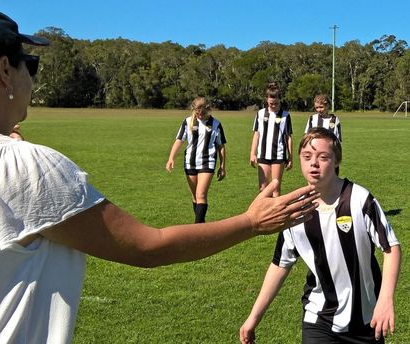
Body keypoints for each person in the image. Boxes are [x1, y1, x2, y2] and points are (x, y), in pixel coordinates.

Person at [0, 6, 320, 343]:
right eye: (27, 62)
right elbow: (147, 246)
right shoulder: (23, 167)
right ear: (3, 72)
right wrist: (251, 222)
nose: (30, 73)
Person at [240, 128, 401, 344]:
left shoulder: (360, 200)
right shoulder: (294, 211)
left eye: (323, 157)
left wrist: (385, 300)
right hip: (319, 319)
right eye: (307, 157)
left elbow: (391, 248)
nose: (314, 163)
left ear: (336, 161)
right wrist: (253, 317)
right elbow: (280, 265)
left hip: (368, 320)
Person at [166, 96, 226, 223]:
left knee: (201, 195)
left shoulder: (216, 124)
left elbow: (221, 146)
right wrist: (171, 158)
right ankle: (201, 224)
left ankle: (198, 227)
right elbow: (179, 140)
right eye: (197, 113)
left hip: (207, 162)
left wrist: (222, 166)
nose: (199, 115)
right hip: (190, 163)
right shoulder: (188, 122)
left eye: (202, 113)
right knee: (195, 197)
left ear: (208, 110)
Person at [249, 83, 293, 197]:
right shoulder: (260, 113)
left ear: (280, 99)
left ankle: (276, 215)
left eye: (276, 103)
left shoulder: (285, 116)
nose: (273, 106)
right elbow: (256, 134)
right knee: (263, 188)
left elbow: (288, 137)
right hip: (263, 154)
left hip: (278, 155)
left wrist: (290, 157)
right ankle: (264, 214)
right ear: (266, 99)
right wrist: (252, 153)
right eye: (270, 103)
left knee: (275, 189)